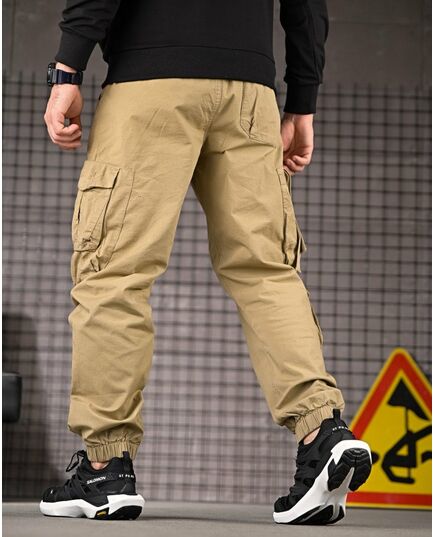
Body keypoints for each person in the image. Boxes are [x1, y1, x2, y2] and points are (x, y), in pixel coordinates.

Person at [40, 0, 372, 524]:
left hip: (151, 83)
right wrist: (302, 103)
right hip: (250, 93)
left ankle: (105, 468)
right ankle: (322, 433)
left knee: (114, 274)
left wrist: (67, 70)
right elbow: (306, 4)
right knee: (267, 270)